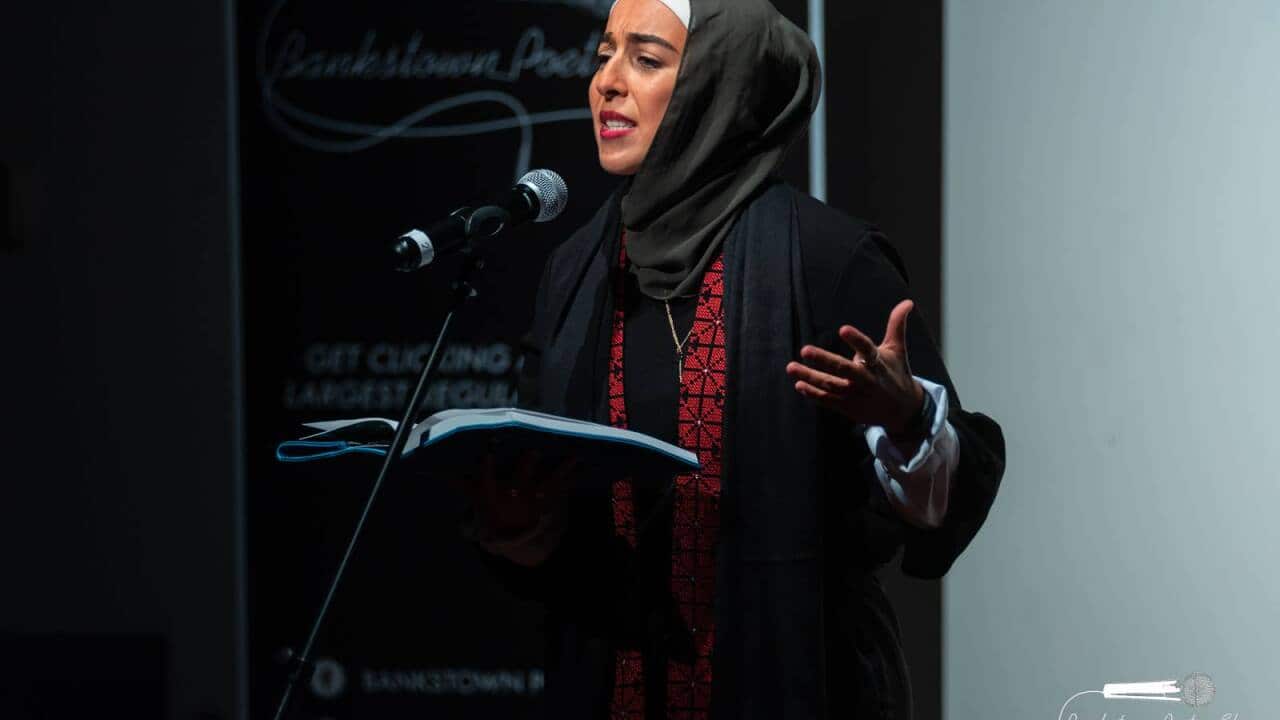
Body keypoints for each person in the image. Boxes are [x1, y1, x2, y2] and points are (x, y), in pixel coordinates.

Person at [461, 0, 1006, 718]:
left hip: (801, 687)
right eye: (604, 56)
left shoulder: (828, 259)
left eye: (645, 59)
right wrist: (526, 533)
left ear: (718, 83)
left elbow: (951, 501)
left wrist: (908, 422)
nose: (607, 83)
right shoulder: (575, 273)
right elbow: (569, 531)